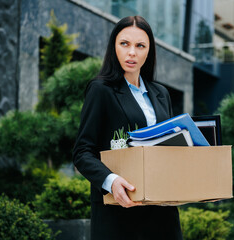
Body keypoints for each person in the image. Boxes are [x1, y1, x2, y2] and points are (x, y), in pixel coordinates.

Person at [73, 16, 183, 240]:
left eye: (140, 45)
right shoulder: (101, 90)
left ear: (149, 52)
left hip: (162, 214)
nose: (132, 52)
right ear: (114, 46)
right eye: (125, 44)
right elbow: (83, 152)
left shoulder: (161, 93)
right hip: (119, 213)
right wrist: (111, 181)